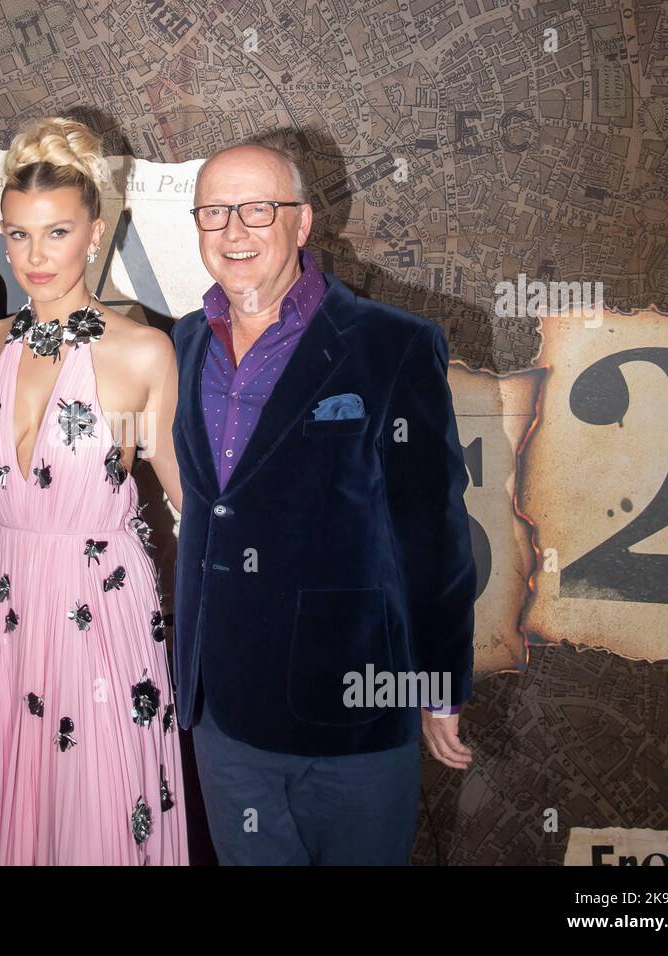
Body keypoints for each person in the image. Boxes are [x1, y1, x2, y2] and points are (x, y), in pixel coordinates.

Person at [170, 142, 477, 865]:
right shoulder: (182, 343)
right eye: (214, 212)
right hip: (222, 710)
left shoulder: (393, 345)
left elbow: (430, 532)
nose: (235, 232)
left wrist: (439, 684)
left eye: (258, 210)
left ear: (303, 222)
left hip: (351, 708)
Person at [0, 118, 188, 864]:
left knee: (97, 810)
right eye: (18, 235)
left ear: (95, 231)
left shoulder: (141, 351)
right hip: (2, 597)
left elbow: (189, 503)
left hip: (100, 608)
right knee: (10, 805)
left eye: (56, 233)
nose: (34, 256)